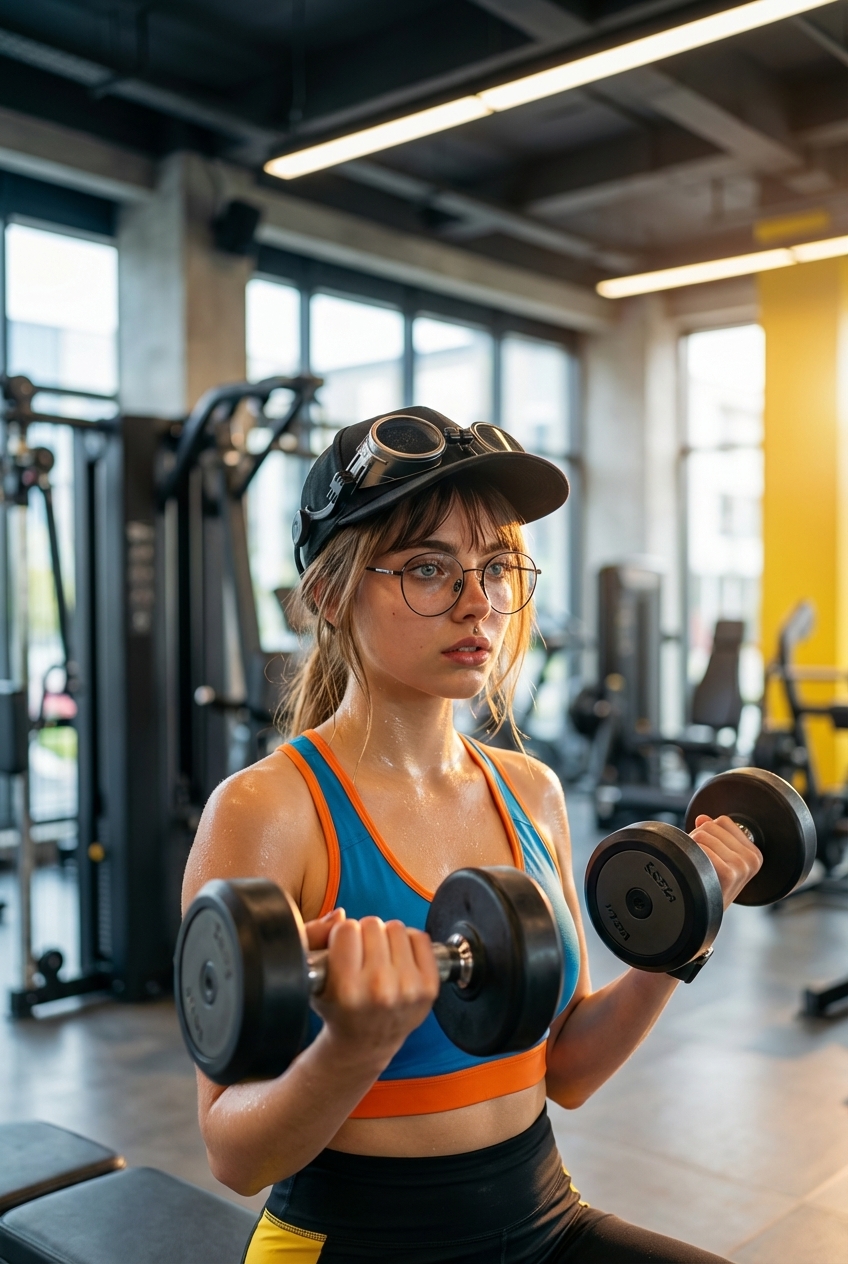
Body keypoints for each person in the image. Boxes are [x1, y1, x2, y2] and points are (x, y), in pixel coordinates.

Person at [183, 406, 762, 1264]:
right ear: (329, 596)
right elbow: (235, 1155)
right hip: (352, 1240)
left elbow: (567, 1070)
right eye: (429, 569)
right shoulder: (267, 810)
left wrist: (686, 932)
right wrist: (353, 1046)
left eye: (496, 568)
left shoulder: (531, 791)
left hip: (544, 1216)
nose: (479, 604)